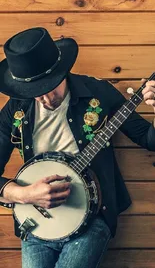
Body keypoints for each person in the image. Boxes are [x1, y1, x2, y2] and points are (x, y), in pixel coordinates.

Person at [0, 27, 155, 268]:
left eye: (48, 87)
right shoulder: (16, 109)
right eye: (33, 93)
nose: (43, 99)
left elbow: (148, 138)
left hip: (92, 217)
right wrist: (22, 194)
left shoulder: (98, 92)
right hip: (36, 222)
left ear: (61, 71)